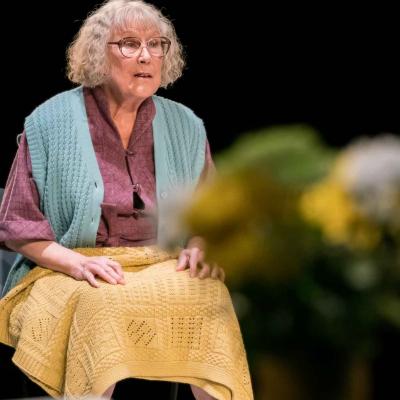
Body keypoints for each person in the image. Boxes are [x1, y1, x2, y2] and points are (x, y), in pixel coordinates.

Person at [0, 1, 253, 399]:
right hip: (67, 266)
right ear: (99, 52)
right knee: (101, 306)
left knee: (210, 297)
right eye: (130, 44)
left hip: (160, 262)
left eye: (157, 45)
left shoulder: (185, 124)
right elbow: (18, 223)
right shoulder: (49, 122)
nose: (146, 55)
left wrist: (201, 246)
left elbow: (211, 214)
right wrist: (77, 263)